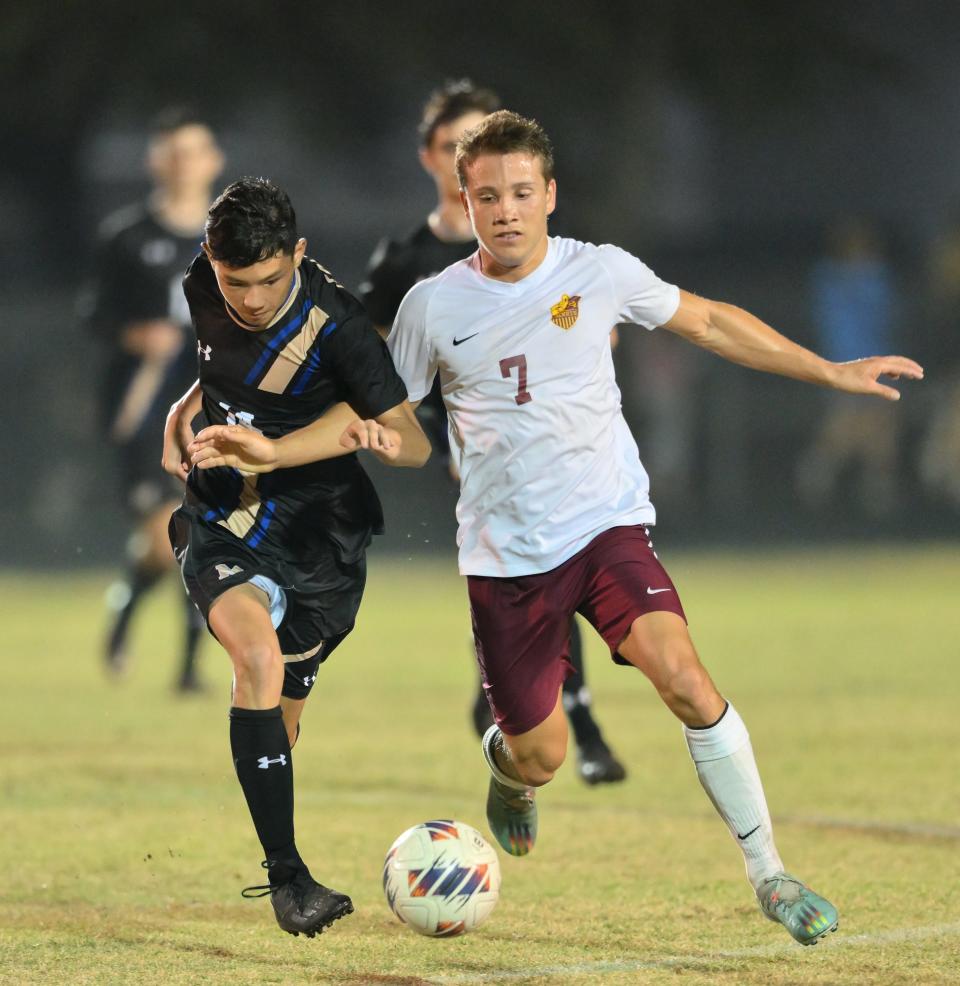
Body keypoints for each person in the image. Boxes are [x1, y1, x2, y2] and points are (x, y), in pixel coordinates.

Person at [382, 111, 923, 945]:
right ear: (466, 199)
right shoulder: (431, 306)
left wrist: (827, 370)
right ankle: (508, 772)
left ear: (550, 195)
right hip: (505, 558)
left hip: (607, 527)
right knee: (543, 756)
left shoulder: (598, 273)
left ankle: (770, 876)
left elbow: (706, 321)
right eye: (488, 196)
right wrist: (379, 439)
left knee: (688, 682)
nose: (508, 210)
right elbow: (404, 422)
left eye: (523, 192)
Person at [161, 177, 430, 938]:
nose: (249, 297)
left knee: (284, 714)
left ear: (299, 254)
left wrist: (372, 438)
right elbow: (220, 364)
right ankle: (289, 880)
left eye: (270, 280)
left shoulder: (337, 326)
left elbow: (412, 440)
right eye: (233, 282)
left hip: (321, 540)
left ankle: (280, 847)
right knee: (256, 659)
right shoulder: (201, 276)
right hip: (222, 514)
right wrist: (188, 408)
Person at [360, 80, 626, 785]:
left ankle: (564, 718)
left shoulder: (538, 245)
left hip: (537, 445)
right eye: (452, 148)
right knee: (526, 573)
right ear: (435, 161)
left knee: (549, 561)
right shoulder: (406, 264)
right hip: (450, 448)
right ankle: (544, 712)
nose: (470, 165)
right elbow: (373, 360)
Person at [81, 108, 224, 692]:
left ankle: (187, 668)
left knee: (201, 533)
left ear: (213, 160)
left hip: (210, 404)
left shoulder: (234, 238)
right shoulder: (127, 236)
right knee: (169, 537)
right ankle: (131, 617)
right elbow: (92, 310)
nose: (183, 164)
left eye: (193, 151)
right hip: (144, 410)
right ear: (154, 161)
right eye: (172, 152)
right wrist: (132, 333)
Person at [795, 218, 902, 516]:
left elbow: (886, 317)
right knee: (842, 429)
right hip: (840, 365)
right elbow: (830, 321)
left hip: (876, 364)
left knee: (880, 431)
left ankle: (877, 501)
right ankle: (813, 487)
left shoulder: (877, 279)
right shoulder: (828, 280)